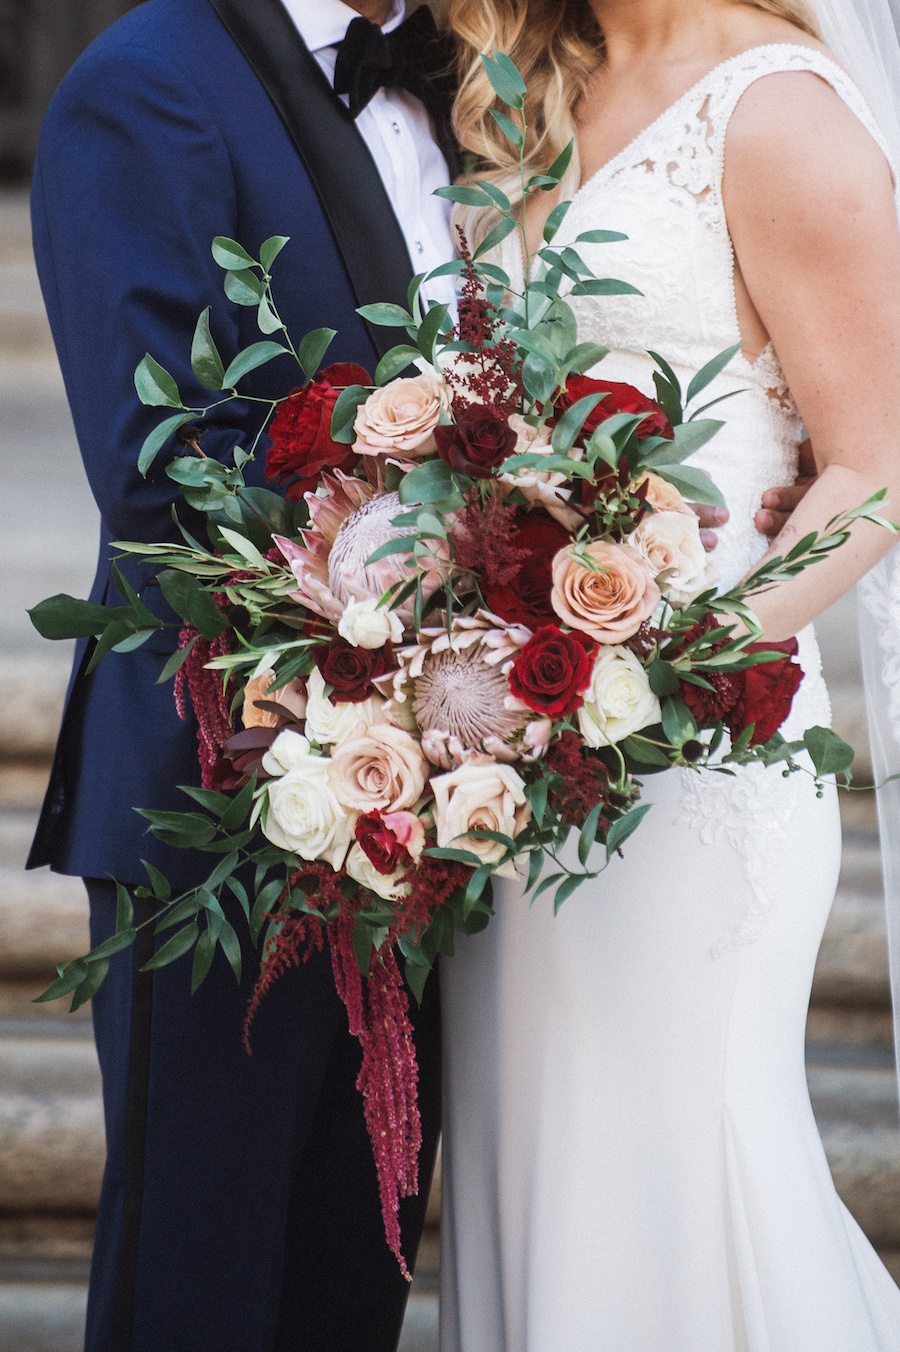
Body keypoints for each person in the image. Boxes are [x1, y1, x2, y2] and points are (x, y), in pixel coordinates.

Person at [24, 0, 812, 1347]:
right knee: (204, 1284)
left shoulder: (487, 84)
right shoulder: (146, 82)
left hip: (452, 791)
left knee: (349, 1273)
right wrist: (468, 577)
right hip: (228, 797)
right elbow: (169, 473)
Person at [438, 0, 900, 1349]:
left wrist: (683, 654)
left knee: (681, 1175)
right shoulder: (523, 87)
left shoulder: (778, 113)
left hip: (695, 762)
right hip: (516, 766)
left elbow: (873, 464)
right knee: (545, 1172)